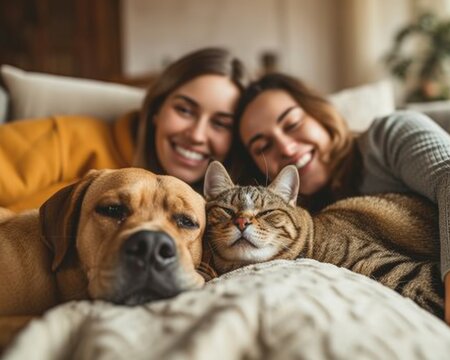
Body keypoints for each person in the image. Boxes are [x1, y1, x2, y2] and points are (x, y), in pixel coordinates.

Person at [233, 72, 450, 324]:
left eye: (292, 124)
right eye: (263, 147)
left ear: (320, 114)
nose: (287, 148)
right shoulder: (295, 226)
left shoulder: (386, 137)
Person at [0, 47, 248, 211]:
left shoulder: (227, 219)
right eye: (184, 110)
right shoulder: (68, 138)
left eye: (220, 124)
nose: (196, 135)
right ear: (157, 109)